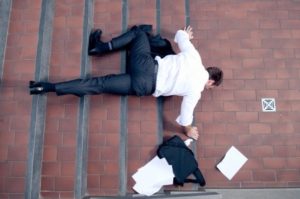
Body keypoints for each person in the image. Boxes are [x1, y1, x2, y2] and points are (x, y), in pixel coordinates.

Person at [29, 25, 223, 140]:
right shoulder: (196, 92)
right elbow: (186, 116)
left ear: (208, 70)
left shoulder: (195, 57)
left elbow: (180, 35)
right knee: (99, 84)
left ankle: (100, 48)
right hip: (144, 86)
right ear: (211, 82)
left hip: (144, 65)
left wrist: (186, 36)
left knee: (139, 33)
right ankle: (47, 87)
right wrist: (188, 129)